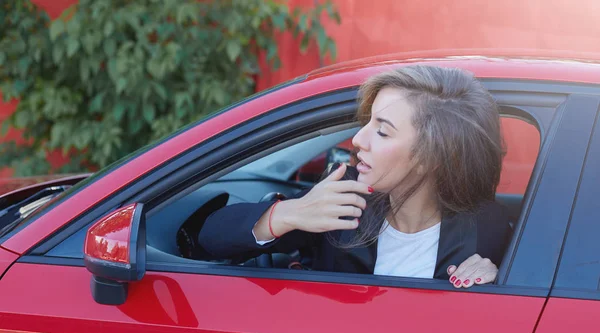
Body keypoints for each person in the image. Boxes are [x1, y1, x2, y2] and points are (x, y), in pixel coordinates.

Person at [199, 65, 511, 288]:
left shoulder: (484, 226)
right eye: (368, 122)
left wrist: (499, 279)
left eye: (382, 131)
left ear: (429, 157)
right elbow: (211, 237)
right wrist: (291, 213)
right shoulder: (344, 197)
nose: (359, 139)